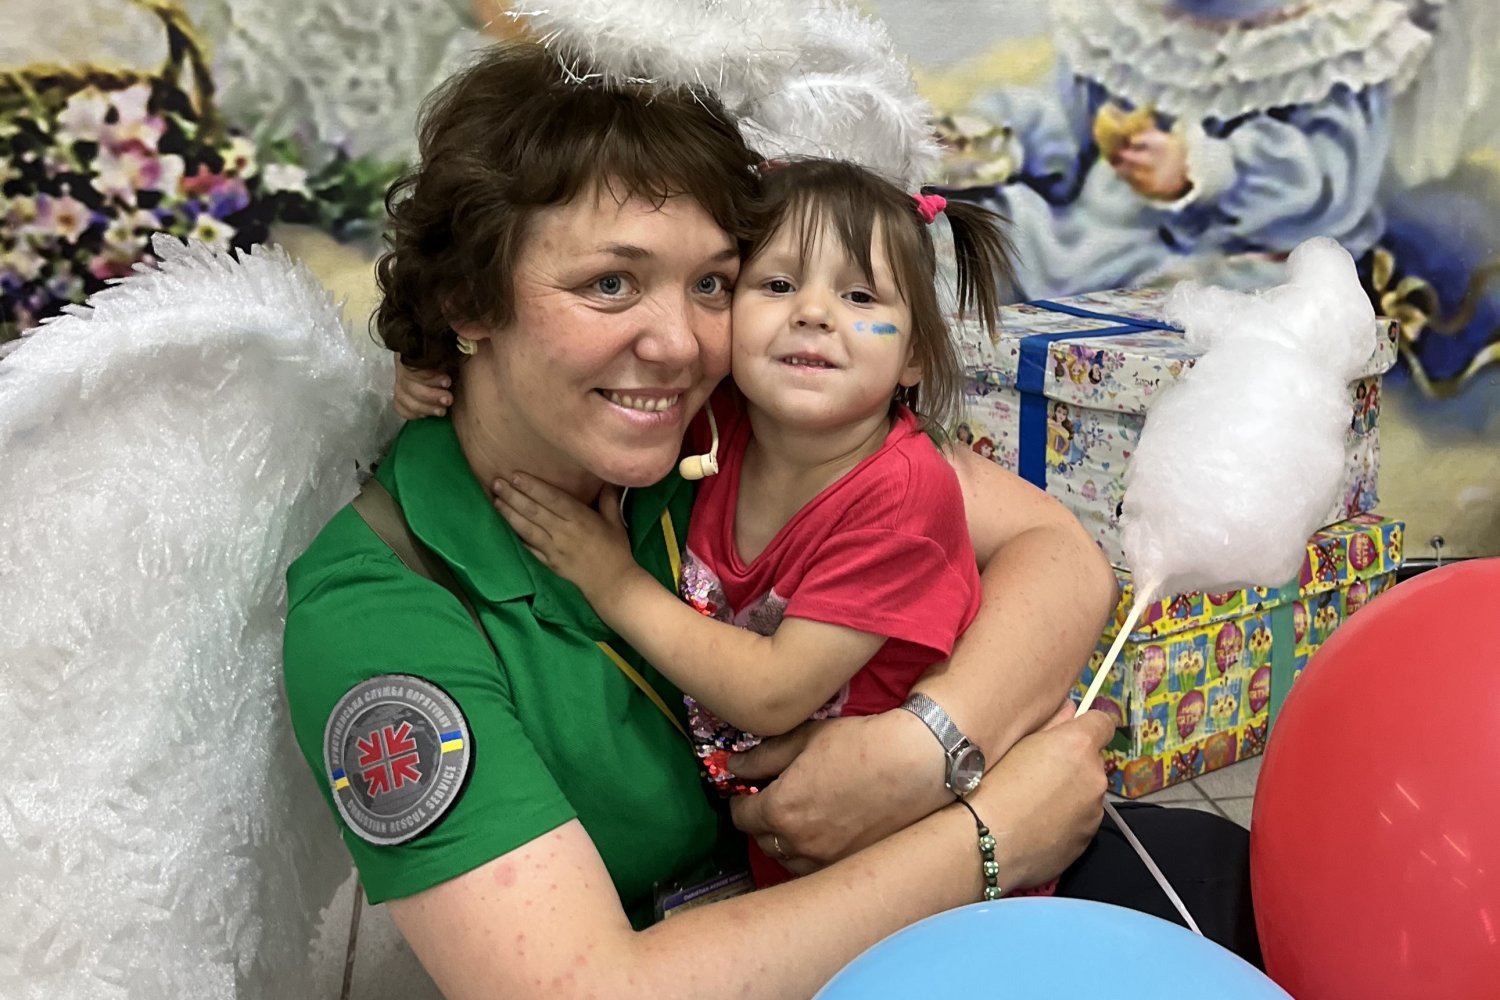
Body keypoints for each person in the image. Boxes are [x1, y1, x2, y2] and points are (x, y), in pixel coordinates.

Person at [285, 44, 1253, 1000]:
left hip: (932, 897)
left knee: (1228, 878)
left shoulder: (721, 427)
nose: (681, 345)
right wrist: (991, 840)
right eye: (610, 283)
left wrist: (923, 751)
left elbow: (1057, 552)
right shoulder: (379, 612)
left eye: (712, 283)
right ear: (467, 300)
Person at [484, 157, 1018, 890]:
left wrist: (611, 581)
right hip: (783, 847)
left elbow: (773, 692)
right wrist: (429, 371)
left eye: (860, 295)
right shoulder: (721, 421)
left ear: (914, 355)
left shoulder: (903, 494)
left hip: (915, 867)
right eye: (777, 285)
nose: (814, 313)